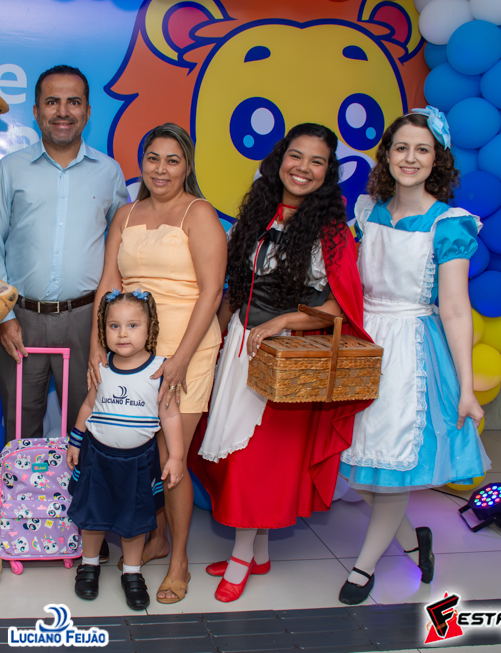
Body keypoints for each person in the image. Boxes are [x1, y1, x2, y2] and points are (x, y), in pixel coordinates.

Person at [189, 123, 371, 603]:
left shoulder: (333, 234)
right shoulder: (256, 216)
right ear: (280, 158)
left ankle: (240, 559)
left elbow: (340, 308)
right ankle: (261, 551)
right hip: (240, 347)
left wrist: (285, 320)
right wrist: (216, 345)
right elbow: (233, 291)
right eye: (296, 155)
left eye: (317, 161)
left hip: (287, 358)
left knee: (256, 461)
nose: (303, 168)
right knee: (233, 455)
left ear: (328, 172)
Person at [337, 109, 491, 605]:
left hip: (411, 352)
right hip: (366, 342)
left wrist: (466, 387)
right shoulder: (368, 213)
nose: (410, 158)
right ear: (387, 155)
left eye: (422, 149)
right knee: (357, 468)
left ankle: (363, 568)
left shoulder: (449, 224)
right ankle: (412, 540)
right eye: (401, 147)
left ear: (436, 159)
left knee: (391, 467)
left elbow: (456, 309)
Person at [0, 65, 128, 561]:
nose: (62, 112)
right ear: (36, 110)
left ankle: (85, 525)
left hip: (86, 320)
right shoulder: (11, 169)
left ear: (87, 111)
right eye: (52, 102)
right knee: (19, 423)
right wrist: (2, 315)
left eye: (73, 102)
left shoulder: (109, 173)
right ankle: (13, 520)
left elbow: (120, 247)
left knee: (86, 426)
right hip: (19, 318)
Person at [91, 123, 226, 604]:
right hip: (128, 350)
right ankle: (158, 538)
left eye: (173, 160)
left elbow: (212, 292)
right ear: (141, 163)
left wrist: (181, 359)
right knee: (139, 453)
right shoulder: (125, 214)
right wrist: (97, 348)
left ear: (187, 166)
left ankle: (179, 561)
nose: (161, 169)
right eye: (153, 158)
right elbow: (109, 284)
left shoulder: (199, 213)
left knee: (171, 457)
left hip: (187, 349)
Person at [67, 290, 184, 610]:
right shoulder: (101, 366)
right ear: (104, 330)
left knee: (134, 523)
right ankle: (89, 565)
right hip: (97, 458)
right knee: (92, 518)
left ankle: (132, 572)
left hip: (138, 463)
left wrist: (176, 456)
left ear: (150, 328)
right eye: (114, 326)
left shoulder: (160, 370)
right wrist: (75, 441)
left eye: (133, 325)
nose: (122, 334)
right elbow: (88, 405)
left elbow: (170, 415)